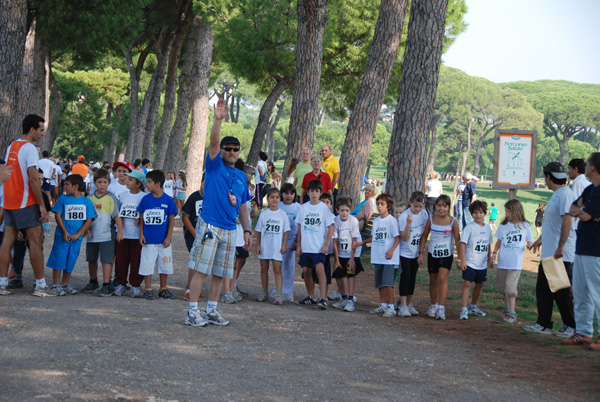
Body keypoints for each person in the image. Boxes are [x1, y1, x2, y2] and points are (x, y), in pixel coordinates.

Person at [185, 99, 252, 327]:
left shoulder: (242, 176)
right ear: (222, 151)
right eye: (228, 149)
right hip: (210, 225)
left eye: (235, 149)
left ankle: (212, 310)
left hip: (230, 228)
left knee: (220, 272)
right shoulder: (214, 165)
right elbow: (213, 144)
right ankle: (193, 312)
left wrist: (247, 230)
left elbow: (243, 205)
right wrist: (217, 121)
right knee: (201, 270)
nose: (232, 152)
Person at [0, 114, 53, 297]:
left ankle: (2, 283)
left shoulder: (12, 146)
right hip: (25, 201)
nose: (42, 134)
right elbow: (33, 178)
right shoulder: (30, 148)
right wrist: (42, 205)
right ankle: (40, 285)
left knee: (7, 242)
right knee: (36, 242)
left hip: (9, 201)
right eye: (41, 130)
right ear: (32, 130)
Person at [524, 162, 576, 337]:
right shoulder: (557, 194)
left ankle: (571, 325)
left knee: (561, 290)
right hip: (550, 252)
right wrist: (540, 239)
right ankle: (544, 323)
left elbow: (567, 221)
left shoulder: (565, 195)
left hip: (560, 253)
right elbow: (552, 225)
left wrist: (561, 246)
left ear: (547, 177)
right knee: (544, 289)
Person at [564, 153, 600, 349]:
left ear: (592, 168)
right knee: (580, 293)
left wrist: (583, 211)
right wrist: (583, 210)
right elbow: (573, 209)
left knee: (597, 293)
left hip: (596, 250)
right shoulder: (589, 189)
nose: (585, 166)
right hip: (581, 248)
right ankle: (584, 333)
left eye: (587, 164)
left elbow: (585, 216)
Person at [46, 174, 95, 295]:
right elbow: (58, 215)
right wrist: (64, 232)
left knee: (71, 259)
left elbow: (89, 219)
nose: (64, 187)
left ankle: (65, 283)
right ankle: (56, 285)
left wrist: (79, 234)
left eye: (67, 184)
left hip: (76, 238)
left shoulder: (86, 202)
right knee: (59, 258)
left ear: (76, 186)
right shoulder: (63, 199)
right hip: (63, 236)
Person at [356, 194, 400, 318]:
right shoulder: (376, 221)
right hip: (378, 255)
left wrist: (391, 251)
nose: (379, 206)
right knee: (380, 282)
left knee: (388, 282)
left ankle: (391, 306)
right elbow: (374, 237)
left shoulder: (392, 221)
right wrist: (362, 242)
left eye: (382, 204)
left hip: (388, 258)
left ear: (389, 206)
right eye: (378, 204)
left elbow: (397, 238)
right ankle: (383, 304)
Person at [418, 195, 460, 320]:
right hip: (433, 254)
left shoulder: (453, 221)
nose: (442, 209)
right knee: (433, 280)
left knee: (442, 279)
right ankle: (434, 305)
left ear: (449, 207)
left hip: (446, 254)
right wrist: (421, 252)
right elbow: (424, 236)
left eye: (445, 206)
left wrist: (460, 258)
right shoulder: (431, 219)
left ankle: (441, 308)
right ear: (435, 206)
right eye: (439, 205)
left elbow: (457, 240)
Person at [491, 199, 533, 324]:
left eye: (509, 211)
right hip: (503, 261)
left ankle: (512, 313)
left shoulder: (525, 225)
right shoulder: (503, 225)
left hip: (515, 263)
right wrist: (494, 253)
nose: (507, 214)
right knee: (503, 288)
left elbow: (529, 242)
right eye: (506, 211)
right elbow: (499, 241)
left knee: (510, 289)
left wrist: (532, 245)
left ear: (516, 211)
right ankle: (508, 309)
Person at [137, 170, 178, 300]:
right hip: (149, 240)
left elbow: (171, 220)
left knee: (165, 265)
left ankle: (163, 288)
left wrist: (168, 237)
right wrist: (141, 234)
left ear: (158, 183)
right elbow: (142, 218)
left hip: (163, 241)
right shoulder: (145, 200)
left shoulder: (168, 201)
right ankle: (148, 289)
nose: (146, 185)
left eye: (149, 182)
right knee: (147, 264)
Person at [295, 179, 335, 309]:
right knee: (306, 270)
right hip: (306, 245)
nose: (314, 194)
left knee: (320, 269)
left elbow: (331, 227)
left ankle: (323, 298)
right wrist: (299, 245)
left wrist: (326, 244)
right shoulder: (303, 208)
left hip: (318, 246)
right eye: (311, 191)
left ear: (320, 192)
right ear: (307, 192)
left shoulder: (324, 208)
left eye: (317, 191)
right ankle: (311, 296)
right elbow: (300, 227)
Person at [85, 168, 120, 297]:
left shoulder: (111, 198)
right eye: (99, 182)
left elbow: (117, 217)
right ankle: (93, 281)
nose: (102, 185)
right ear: (94, 182)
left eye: (105, 182)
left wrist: (119, 231)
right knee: (92, 259)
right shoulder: (89, 198)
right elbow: (86, 218)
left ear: (109, 183)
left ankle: (106, 284)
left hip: (107, 236)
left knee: (107, 260)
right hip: (92, 235)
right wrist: (86, 229)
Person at [457, 200, 493, 320]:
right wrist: (462, 260)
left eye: (481, 212)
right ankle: (464, 308)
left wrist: (489, 259)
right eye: (475, 213)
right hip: (470, 261)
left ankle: (473, 306)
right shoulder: (469, 228)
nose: (478, 215)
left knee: (479, 284)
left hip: (482, 263)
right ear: (472, 214)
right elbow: (462, 244)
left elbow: (488, 244)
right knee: (467, 284)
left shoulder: (488, 228)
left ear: (485, 214)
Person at [114, 170, 147, 298]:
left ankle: (136, 285)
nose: (127, 181)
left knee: (136, 260)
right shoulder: (122, 195)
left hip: (136, 235)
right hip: (123, 234)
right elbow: (118, 214)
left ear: (139, 184)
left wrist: (140, 218)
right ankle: (121, 283)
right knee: (121, 260)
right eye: (128, 179)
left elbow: (145, 213)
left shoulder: (143, 197)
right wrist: (119, 230)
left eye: (131, 180)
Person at [255, 188, 290, 304]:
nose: (274, 199)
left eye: (277, 197)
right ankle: (264, 292)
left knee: (277, 270)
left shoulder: (282, 214)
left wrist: (284, 245)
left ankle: (279, 294)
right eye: (272, 197)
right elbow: (259, 231)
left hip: (277, 247)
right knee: (264, 269)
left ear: (280, 199)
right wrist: (258, 245)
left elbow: (286, 231)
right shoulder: (264, 214)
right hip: (265, 246)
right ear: (268, 199)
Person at [397, 191, 428, 317]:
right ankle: (402, 305)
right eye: (415, 206)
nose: (418, 209)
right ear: (410, 203)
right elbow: (404, 237)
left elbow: (424, 235)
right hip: (405, 252)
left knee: (412, 278)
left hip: (416, 252)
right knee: (405, 276)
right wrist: (409, 224)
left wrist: (421, 253)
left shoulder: (424, 214)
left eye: (420, 206)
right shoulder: (404, 216)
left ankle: (409, 304)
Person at [331, 197, 363, 312]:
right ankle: (343, 297)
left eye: (347, 210)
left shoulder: (353, 221)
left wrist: (352, 258)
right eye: (342, 210)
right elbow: (335, 241)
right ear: (337, 210)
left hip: (353, 252)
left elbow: (355, 240)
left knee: (350, 274)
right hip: (341, 252)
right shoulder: (335, 221)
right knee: (338, 273)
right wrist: (337, 260)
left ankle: (350, 299)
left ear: (350, 210)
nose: (344, 213)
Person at [278, 183, 301, 302]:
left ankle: (288, 291)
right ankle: (278, 290)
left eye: (291, 193)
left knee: (289, 267)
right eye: (286, 193)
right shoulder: (279, 205)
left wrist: (297, 242)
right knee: (278, 266)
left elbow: (299, 226)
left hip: (291, 241)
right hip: (278, 241)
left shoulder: (297, 207)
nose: (289, 196)